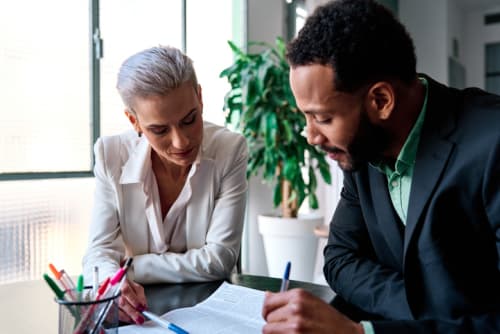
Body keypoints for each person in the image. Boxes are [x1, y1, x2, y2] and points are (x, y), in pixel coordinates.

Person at [262, 0, 500, 333]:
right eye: (305, 117)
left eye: (323, 118)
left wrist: (361, 333)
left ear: (381, 101)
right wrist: (427, 310)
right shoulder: (361, 149)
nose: (311, 136)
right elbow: (341, 258)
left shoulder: (493, 144)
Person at [82, 45, 248, 325]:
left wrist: (132, 267)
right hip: (141, 314)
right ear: (134, 121)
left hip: (209, 312)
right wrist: (115, 285)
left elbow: (220, 259)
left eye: (189, 120)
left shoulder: (229, 149)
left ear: (200, 97)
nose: (181, 142)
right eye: (159, 130)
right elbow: (98, 253)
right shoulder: (110, 155)